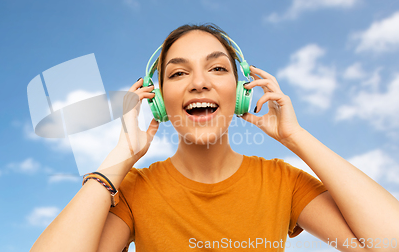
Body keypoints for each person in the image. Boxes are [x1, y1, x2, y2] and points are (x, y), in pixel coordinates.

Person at [29, 24, 399, 252]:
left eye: (218, 68)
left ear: (241, 93)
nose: (199, 82)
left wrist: (296, 137)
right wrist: (120, 157)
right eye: (177, 74)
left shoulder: (282, 182)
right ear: (157, 101)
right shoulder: (133, 190)